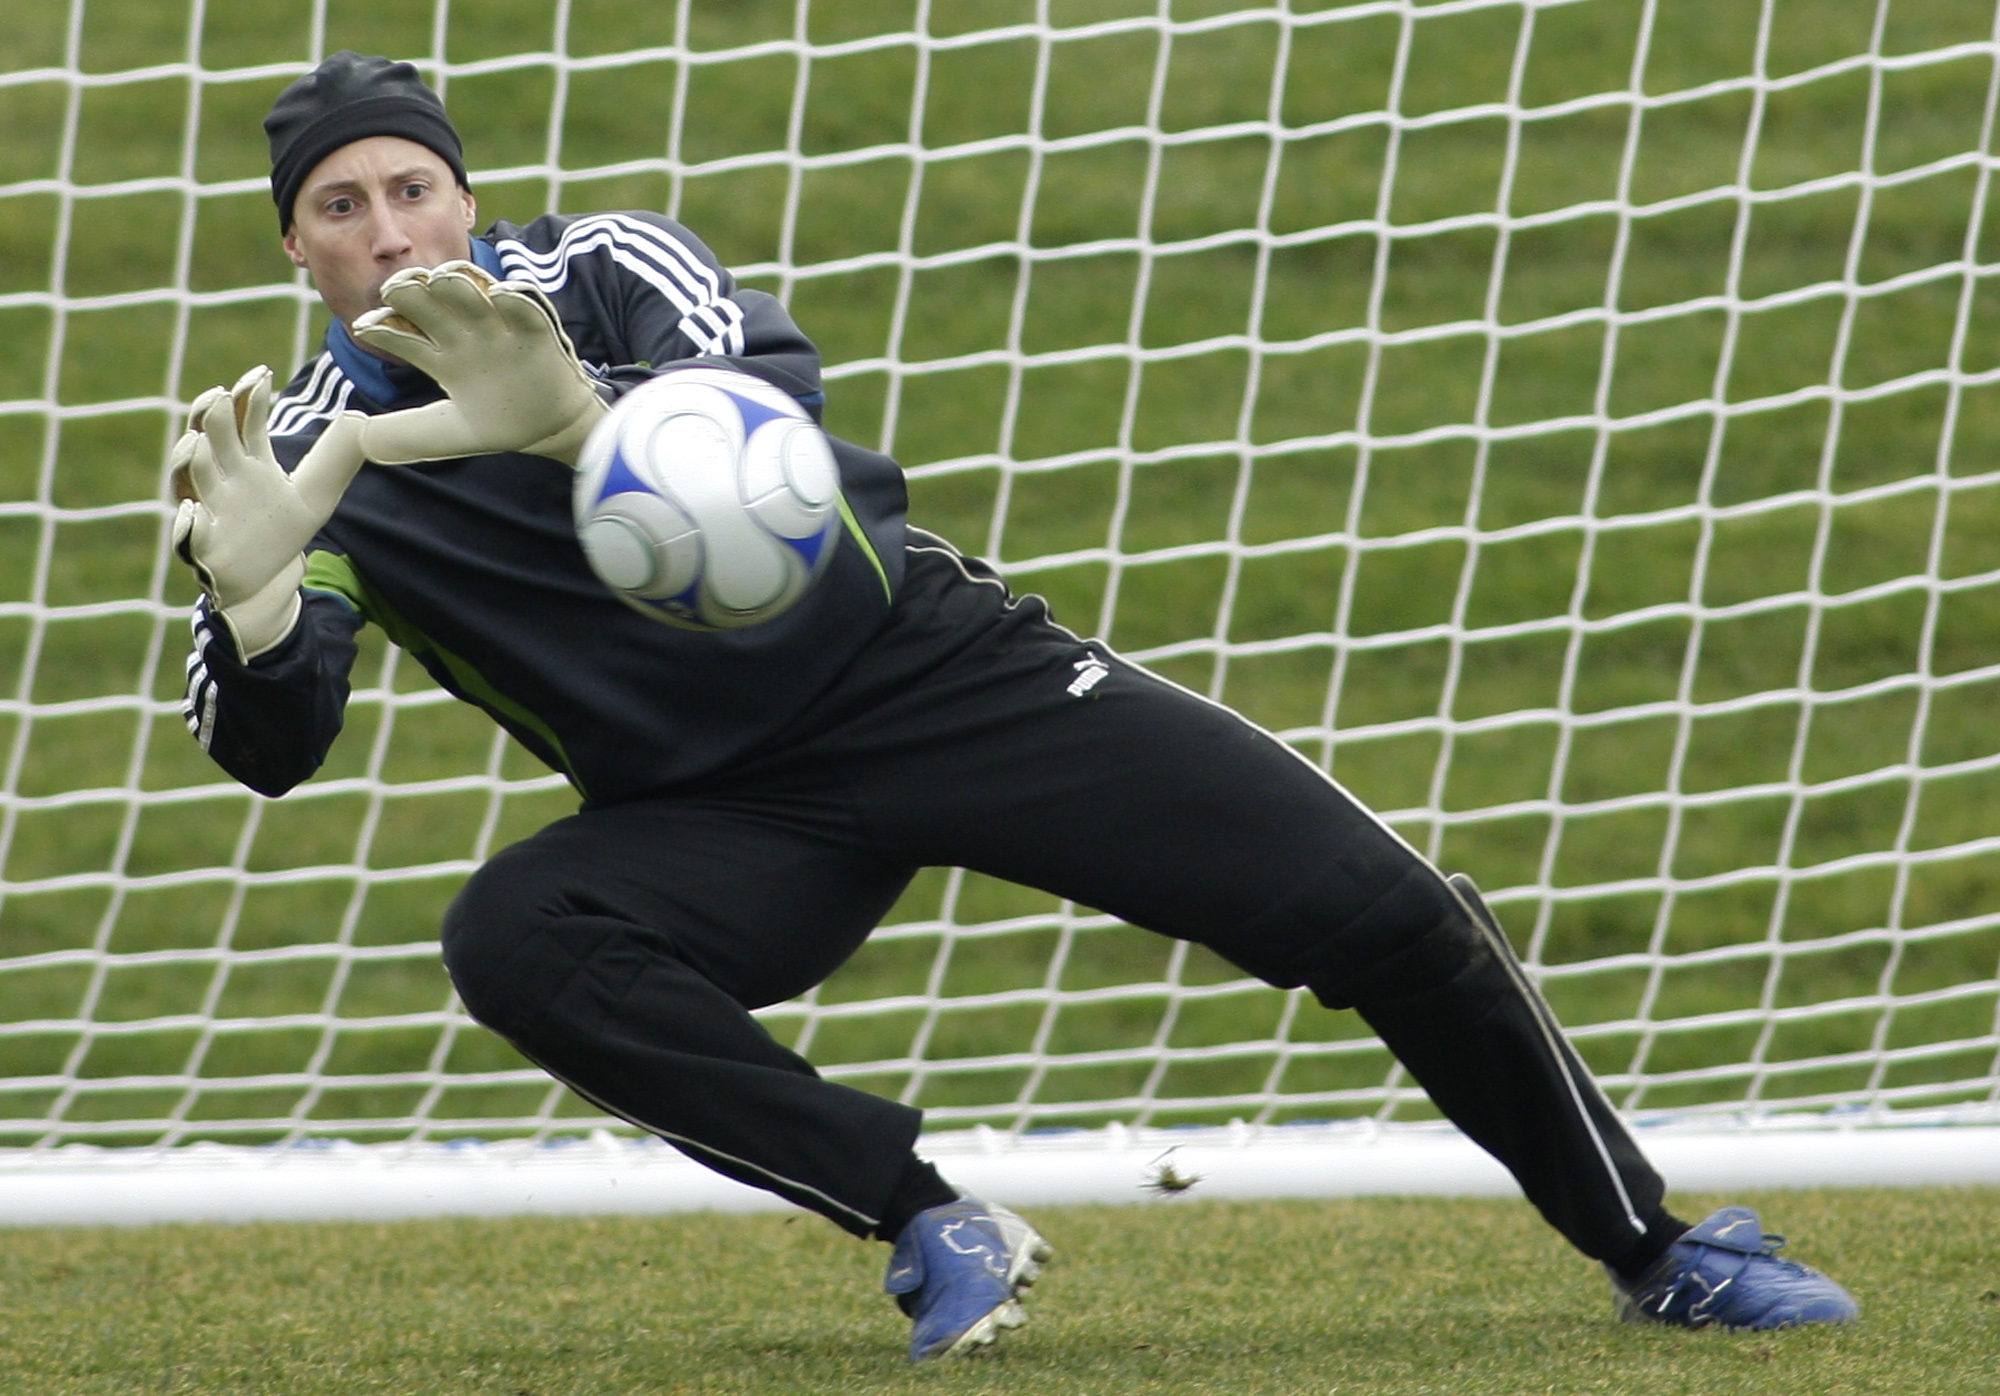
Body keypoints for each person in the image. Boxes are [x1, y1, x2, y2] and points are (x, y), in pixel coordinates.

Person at [168, 51, 1858, 1361]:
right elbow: (276, 746)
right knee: (518, 936)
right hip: (724, 817)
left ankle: (1659, 1251)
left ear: (466, 197)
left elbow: (775, 428)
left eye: (413, 187)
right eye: (339, 208)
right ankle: (924, 1220)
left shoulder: (603, 270)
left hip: (936, 681)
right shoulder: (314, 466)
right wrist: (251, 606)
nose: (387, 231)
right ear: (300, 247)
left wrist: (572, 415)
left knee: (1385, 912)